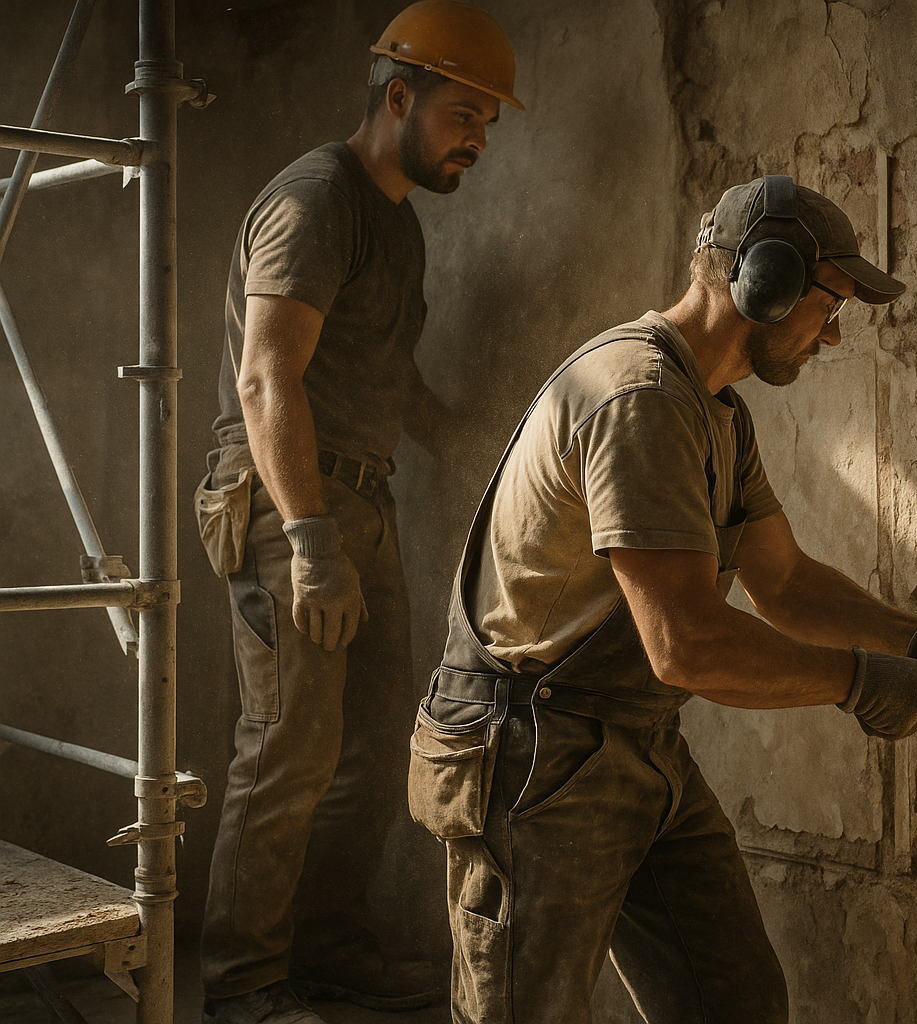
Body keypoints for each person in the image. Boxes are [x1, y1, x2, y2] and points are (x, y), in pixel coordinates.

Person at [410, 174, 917, 1023]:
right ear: (768, 283)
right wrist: (860, 683)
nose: (836, 335)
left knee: (731, 999)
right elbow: (689, 645)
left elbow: (786, 582)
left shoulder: (717, 412)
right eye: (831, 304)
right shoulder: (639, 400)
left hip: (633, 738)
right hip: (535, 751)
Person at [192, 4, 523, 1022]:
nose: (478, 139)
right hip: (289, 504)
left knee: (378, 742)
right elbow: (265, 380)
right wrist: (308, 540)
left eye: (489, 124)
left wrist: (471, 439)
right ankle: (241, 987)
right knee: (287, 745)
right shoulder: (317, 197)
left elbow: (383, 375)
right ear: (398, 98)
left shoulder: (396, 221)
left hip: (359, 497)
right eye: (466, 114)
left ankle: (326, 947)